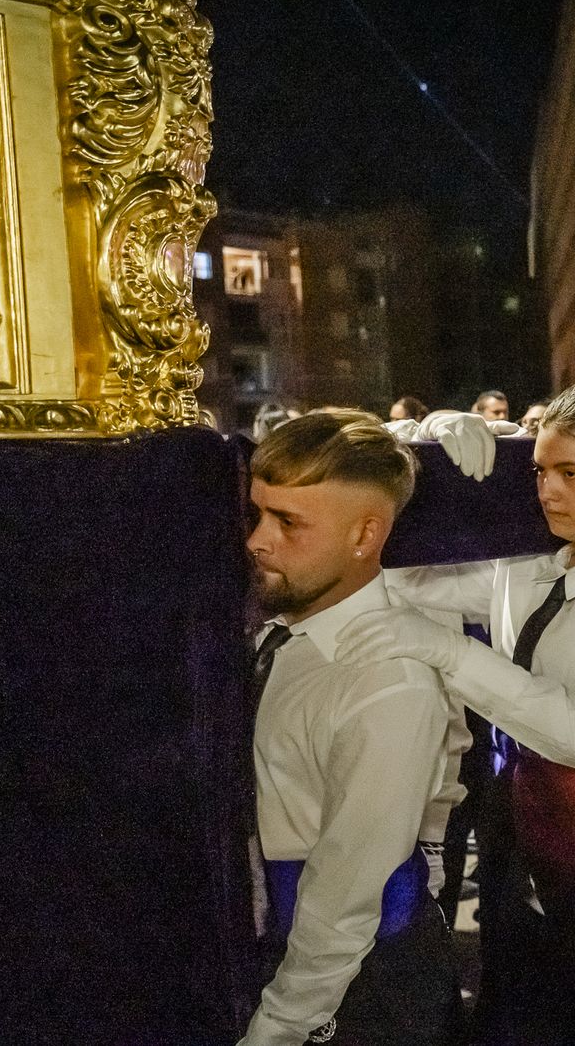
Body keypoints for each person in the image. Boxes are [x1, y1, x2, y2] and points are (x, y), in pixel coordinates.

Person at [340, 381, 575, 1046]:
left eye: (571, 473)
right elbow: (398, 578)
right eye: (540, 471)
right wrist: (414, 450)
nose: (547, 490)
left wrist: (450, 652)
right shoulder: (526, 569)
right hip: (527, 864)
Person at [240, 409, 463, 1046]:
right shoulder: (281, 631)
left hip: (353, 985)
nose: (258, 540)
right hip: (293, 949)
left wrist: (277, 1027)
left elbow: (344, 896)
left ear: (366, 535)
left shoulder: (385, 681)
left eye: (288, 522)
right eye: (257, 515)